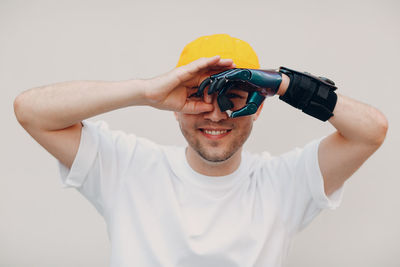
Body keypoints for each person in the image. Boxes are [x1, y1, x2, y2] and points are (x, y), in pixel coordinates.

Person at [13, 34, 388, 267]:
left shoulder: (284, 183)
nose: (216, 114)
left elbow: (371, 131)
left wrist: (287, 85)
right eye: (197, 97)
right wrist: (146, 90)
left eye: (233, 98)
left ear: (258, 106)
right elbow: (31, 110)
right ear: (174, 105)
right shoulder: (125, 167)